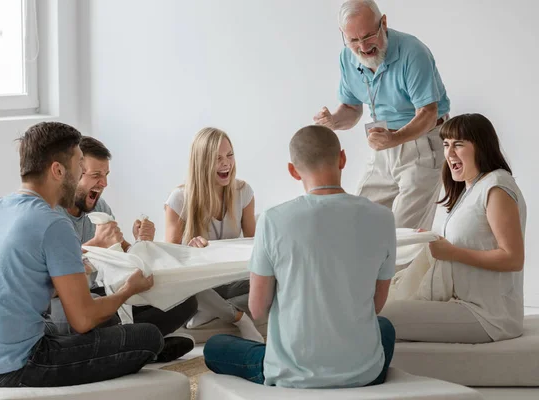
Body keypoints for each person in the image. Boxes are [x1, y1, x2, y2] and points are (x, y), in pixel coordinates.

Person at [0, 122, 163, 387]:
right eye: (80, 164)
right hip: (10, 366)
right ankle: (141, 350)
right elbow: (83, 320)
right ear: (58, 170)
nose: (82, 171)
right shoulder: (53, 223)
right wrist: (128, 289)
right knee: (149, 336)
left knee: (61, 327)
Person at [204, 125, 396, 388]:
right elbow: (376, 305)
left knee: (215, 346)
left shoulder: (274, 220)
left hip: (292, 373)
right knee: (384, 326)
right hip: (363, 372)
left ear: (293, 171)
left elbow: (258, 308)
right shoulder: (384, 218)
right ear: (342, 158)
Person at [380, 114, 526, 343]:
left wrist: (452, 252)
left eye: (458, 144)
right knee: (377, 307)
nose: (449, 153)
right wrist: (432, 240)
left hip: (488, 315)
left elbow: (513, 258)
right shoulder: (471, 190)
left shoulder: (496, 187)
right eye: (446, 144)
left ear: (482, 147)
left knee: (380, 317)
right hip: (462, 303)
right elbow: (470, 241)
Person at [51, 136, 196, 360]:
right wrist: (94, 246)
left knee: (184, 301)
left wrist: (140, 242)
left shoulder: (99, 206)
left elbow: (123, 255)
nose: (104, 183)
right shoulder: (50, 215)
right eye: (96, 175)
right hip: (63, 303)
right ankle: (144, 345)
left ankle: (137, 343)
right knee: (100, 315)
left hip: (99, 293)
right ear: (73, 175)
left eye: (106, 175)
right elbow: (50, 281)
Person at [313, 0, 450, 230]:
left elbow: (428, 112)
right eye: (354, 40)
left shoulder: (412, 52)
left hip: (422, 142)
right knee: (359, 224)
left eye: (368, 36)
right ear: (343, 35)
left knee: (403, 236)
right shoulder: (347, 57)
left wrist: (394, 138)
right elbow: (351, 108)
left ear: (383, 23)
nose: (363, 47)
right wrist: (333, 121)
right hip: (383, 145)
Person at [164, 127, 263, 342]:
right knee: (187, 285)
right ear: (202, 162)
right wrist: (188, 249)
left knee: (273, 280)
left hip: (228, 280)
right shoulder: (179, 198)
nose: (226, 163)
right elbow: (168, 262)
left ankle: (211, 310)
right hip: (198, 284)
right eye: (217, 158)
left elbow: (255, 246)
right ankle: (237, 317)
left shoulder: (243, 192)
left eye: (229, 155)